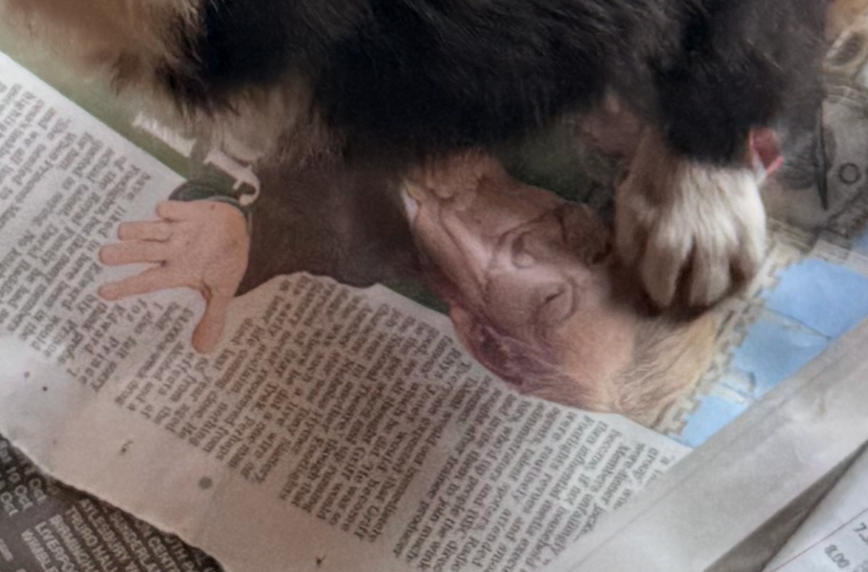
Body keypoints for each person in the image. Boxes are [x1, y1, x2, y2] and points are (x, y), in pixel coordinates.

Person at [98, 147, 717, 430]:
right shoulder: (546, 116)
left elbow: (241, 228)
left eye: (551, 301)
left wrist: (226, 209)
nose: (553, 245)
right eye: (601, 253)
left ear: (484, 342)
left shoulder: (337, 244)